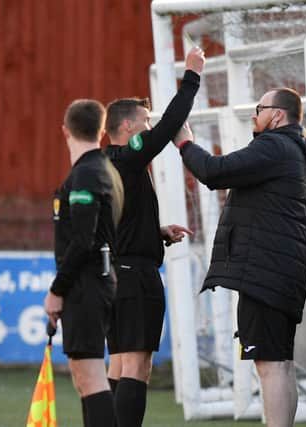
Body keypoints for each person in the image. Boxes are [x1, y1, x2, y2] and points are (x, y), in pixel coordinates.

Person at [173, 88, 306, 427]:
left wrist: (184, 142)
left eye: (260, 108)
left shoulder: (275, 146)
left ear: (278, 115)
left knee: (268, 366)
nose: (255, 115)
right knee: (280, 364)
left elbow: (215, 171)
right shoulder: (301, 151)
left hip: (264, 274)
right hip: (285, 274)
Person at [103, 46, 205, 427]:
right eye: (144, 120)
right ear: (127, 128)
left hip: (116, 273)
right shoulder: (129, 156)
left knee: (118, 362)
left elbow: (117, 222)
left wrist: (155, 232)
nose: (150, 125)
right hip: (134, 277)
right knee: (137, 365)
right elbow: (166, 131)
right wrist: (191, 77)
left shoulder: (108, 165)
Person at [44, 99, 124, 427]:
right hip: (98, 280)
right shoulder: (104, 170)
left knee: (90, 377)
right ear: (102, 131)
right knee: (86, 379)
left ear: (65, 131)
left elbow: (83, 240)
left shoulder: (87, 175)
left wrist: (57, 290)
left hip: (87, 284)